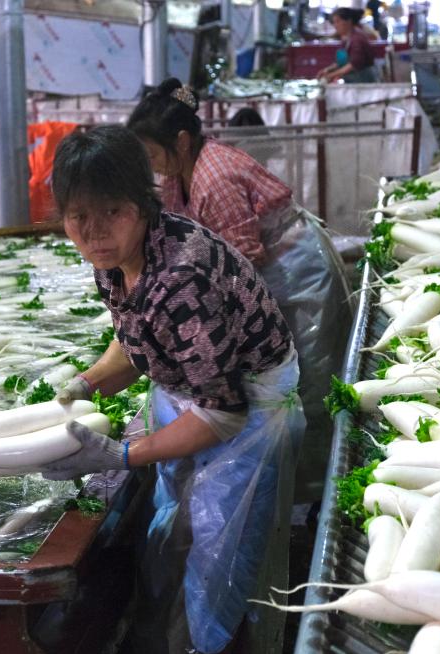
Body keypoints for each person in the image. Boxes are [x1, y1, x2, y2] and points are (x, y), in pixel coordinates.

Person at [39, 125, 305, 654]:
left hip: (248, 422)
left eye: (110, 212)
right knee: (177, 540)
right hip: (195, 401)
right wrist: (85, 382)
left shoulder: (181, 280)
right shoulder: (117, 265)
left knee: (222, 562)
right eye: (78, 217)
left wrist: (123, 454)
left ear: (141, 204)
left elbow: (224, 413)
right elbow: (135, 342)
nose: (93, 233)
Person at [126, 79, 352, 506]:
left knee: (307, 385)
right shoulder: (179, 175)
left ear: (181, 139)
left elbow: (241, 261)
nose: (153, 165)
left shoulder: (214, 179)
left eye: (154, 154)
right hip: (264, 274)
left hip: (296, 276)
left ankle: (316, 497)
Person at [317, 7, 379, 83]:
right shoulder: (346, 39)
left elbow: (354, 65)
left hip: (364, 83)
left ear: (348, 21)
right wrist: (327, 70)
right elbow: (341, 62)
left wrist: (331, 75)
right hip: (352, 82)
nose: (335, 25)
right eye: (334, 22)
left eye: (338, 21)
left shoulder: (357, 39)